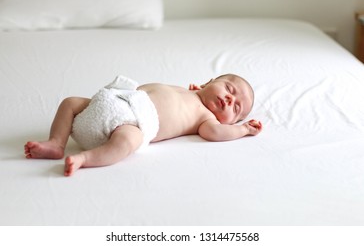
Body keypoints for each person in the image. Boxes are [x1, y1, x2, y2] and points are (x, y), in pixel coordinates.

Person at [24, 74, 263, 176]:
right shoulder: (185, 91)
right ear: (206, 82)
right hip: (115, 103)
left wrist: (243, 130)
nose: (230, 100)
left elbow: (215, 132)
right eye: (229, 89)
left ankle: (85, 159)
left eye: (236, 109)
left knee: (129, 141)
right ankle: (56, 143)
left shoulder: (206, 119)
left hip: (132, 123)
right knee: (71, 103)